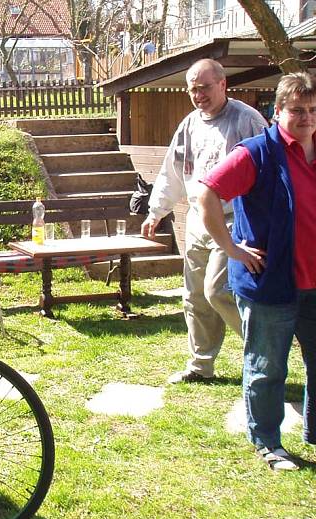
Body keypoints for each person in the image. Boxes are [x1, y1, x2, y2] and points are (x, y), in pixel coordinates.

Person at [198, 72, 316, 471]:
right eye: (297, 110)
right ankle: (268, 442)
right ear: (277, 110)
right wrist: (230, 247)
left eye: (313, 110)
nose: (306, 118)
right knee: (267, 366)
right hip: (272, 281)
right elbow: (208, 192)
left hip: (315, 283)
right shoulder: (257, 153)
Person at [141, 58, 267, 384]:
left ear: (223, 84)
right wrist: (157, 211)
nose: (199, 95)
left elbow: (269, 168)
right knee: (194, 295)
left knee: (218, 290)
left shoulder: (247, 120)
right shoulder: (189, 125)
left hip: (233, 219)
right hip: (197, 217)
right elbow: (172, 170)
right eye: (193, 90)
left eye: (205, 88)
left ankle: (264, 349)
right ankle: (201, 365)